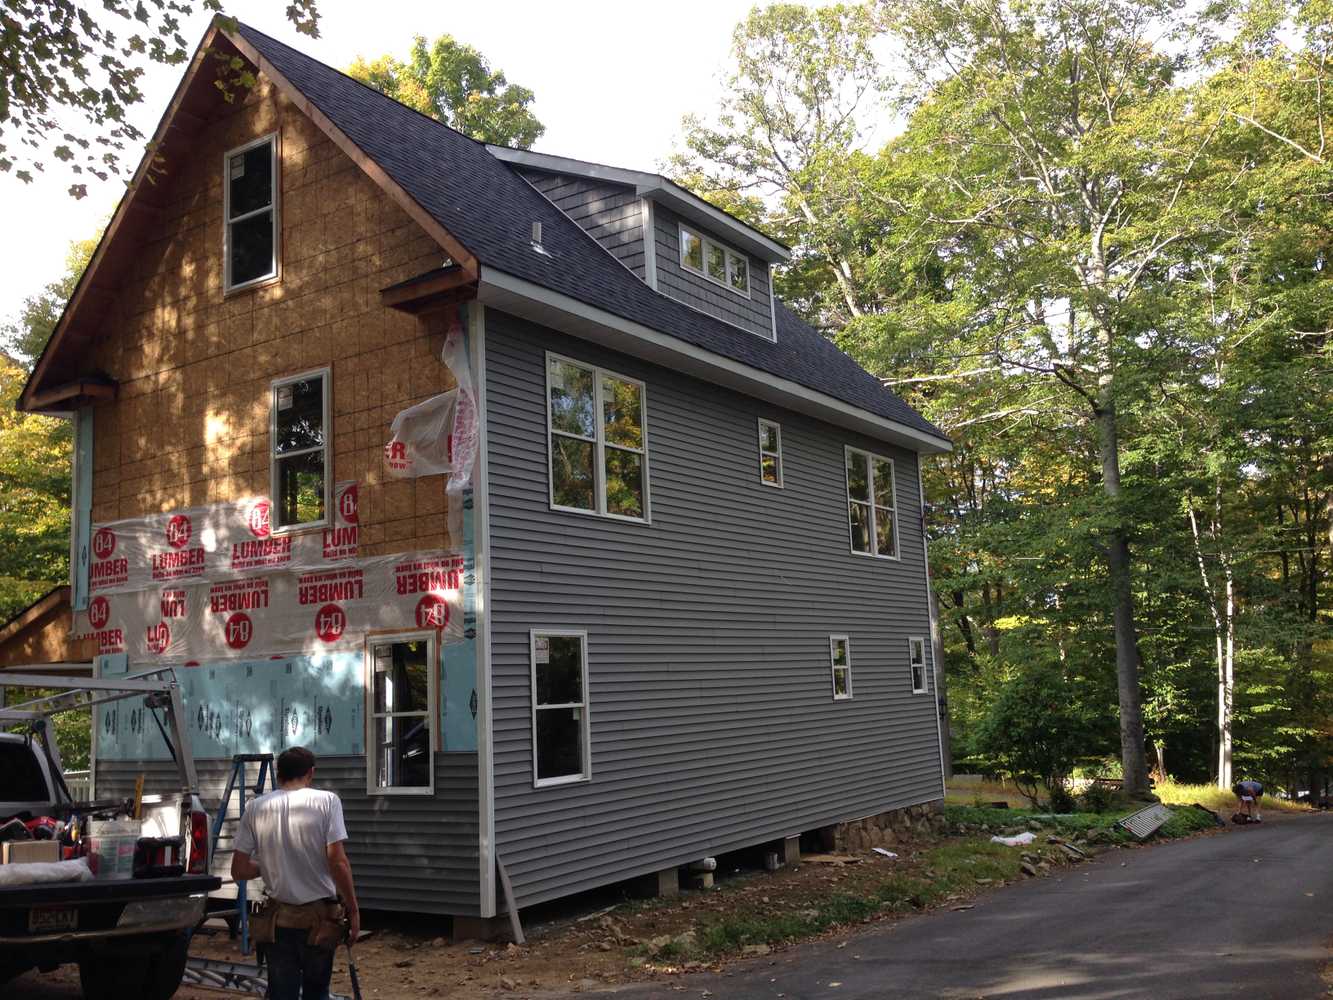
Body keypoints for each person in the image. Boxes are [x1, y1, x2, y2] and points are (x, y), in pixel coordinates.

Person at [232, 747, 360, 1000]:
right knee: (316, 992)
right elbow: (338, 862)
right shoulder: (327, 801)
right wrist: (353, 910)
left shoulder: (255, 808)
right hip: (319, 921)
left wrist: (269, 864)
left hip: (277, 922)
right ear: (310, 773)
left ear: (278, 775)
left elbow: (239, 870)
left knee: (282, 993)